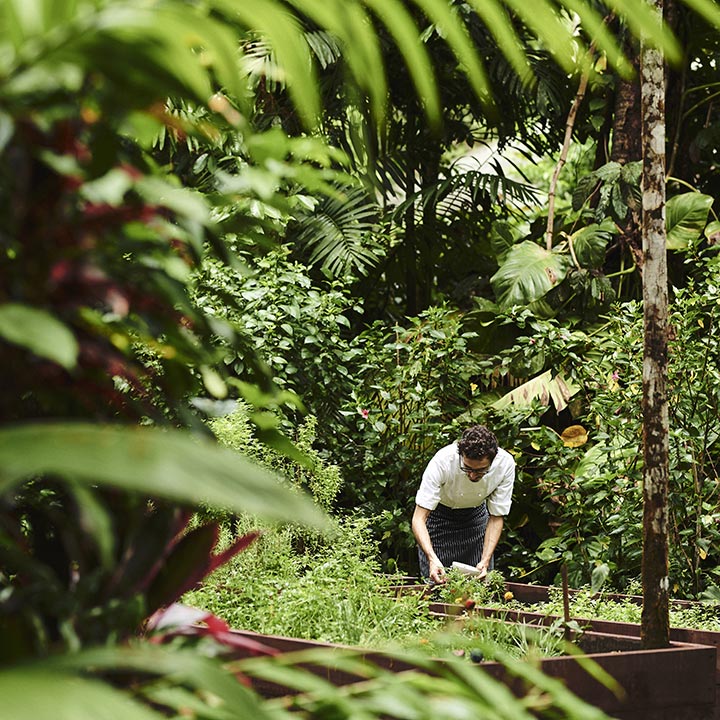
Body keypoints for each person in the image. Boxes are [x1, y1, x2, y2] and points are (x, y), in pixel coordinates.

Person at [411, 425, 515, 584]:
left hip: (476, 519)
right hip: (439, 519)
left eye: (481, 470)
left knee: (480, 589)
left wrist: (485, 560)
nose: (472, 475)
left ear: (492, 461)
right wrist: (432, 559)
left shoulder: (505, 464)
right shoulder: (443, 460)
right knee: (437, 590)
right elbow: (418, 518)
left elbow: (496, 517)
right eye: (467, 468)